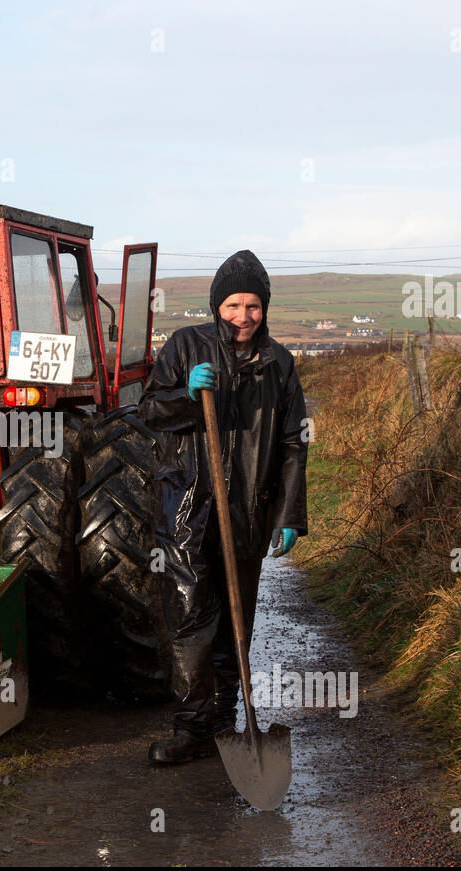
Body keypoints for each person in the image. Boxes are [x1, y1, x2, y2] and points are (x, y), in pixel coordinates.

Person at [137, 250, 308, 765]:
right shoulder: (187, 347)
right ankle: (191, 727)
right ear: (217, 305)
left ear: (265, 307)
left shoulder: (278, 362)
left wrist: (288, 516)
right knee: (191, 618)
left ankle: (225, 722)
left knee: (239, 624)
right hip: (187, 510)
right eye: (233, 304)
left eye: (253, 305)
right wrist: (186, 397)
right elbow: (149, 412)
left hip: (247, 511)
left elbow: (293, 443)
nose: (243, 316)